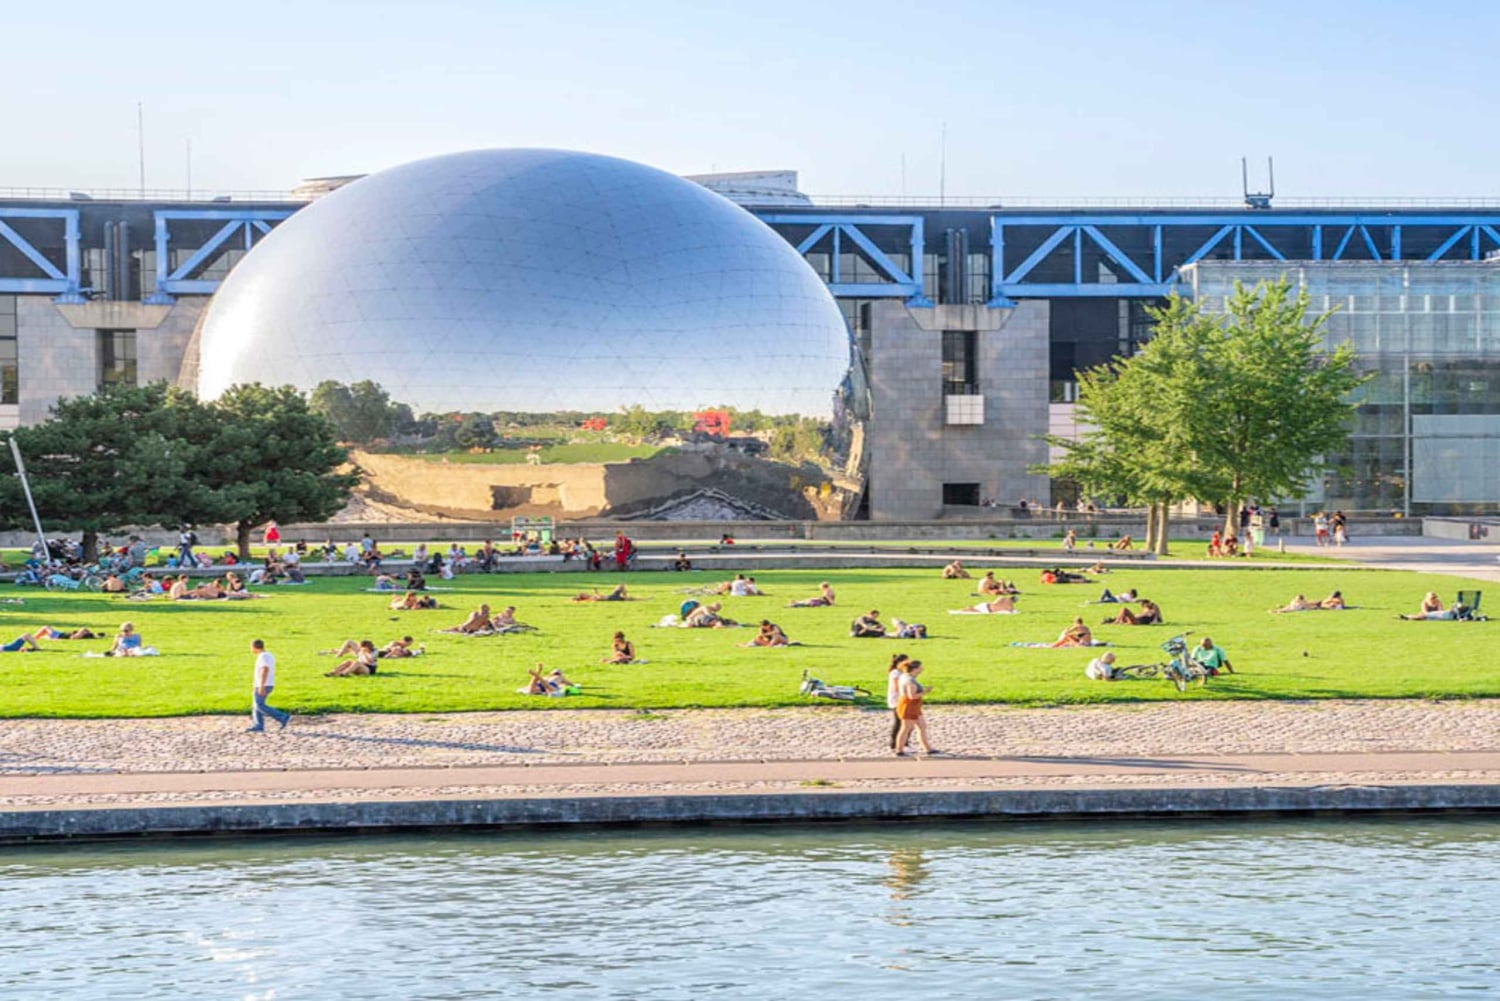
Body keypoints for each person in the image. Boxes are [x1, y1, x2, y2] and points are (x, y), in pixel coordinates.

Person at [892, 660, 935, 756]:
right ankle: (899, 750)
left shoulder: (905, 676)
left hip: (914, 706)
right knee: (906, 728)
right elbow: (912, 696)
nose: (922, 669)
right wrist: (925, 691)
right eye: (920, 667)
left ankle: (928, 748)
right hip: (909, 706)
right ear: (914, 669)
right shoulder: (909, 680)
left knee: (922, 726)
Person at [246, 639, 290, 732]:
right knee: (256, 705)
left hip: (264, 684)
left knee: (259, 705)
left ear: (254, 647)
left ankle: (282, 716)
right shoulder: (267, 655)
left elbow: (265, 670)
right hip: (263, 684)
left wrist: (261, 686)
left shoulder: (264, 656)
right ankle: (258, 725)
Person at [886, 653, 910, 750]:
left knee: (905, 723)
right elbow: (897, 687)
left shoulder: (901, 672)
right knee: (900, 722)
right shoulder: (895, 673)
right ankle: (896, 743)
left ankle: (903, 743)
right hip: (897, 700)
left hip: (901, 699)